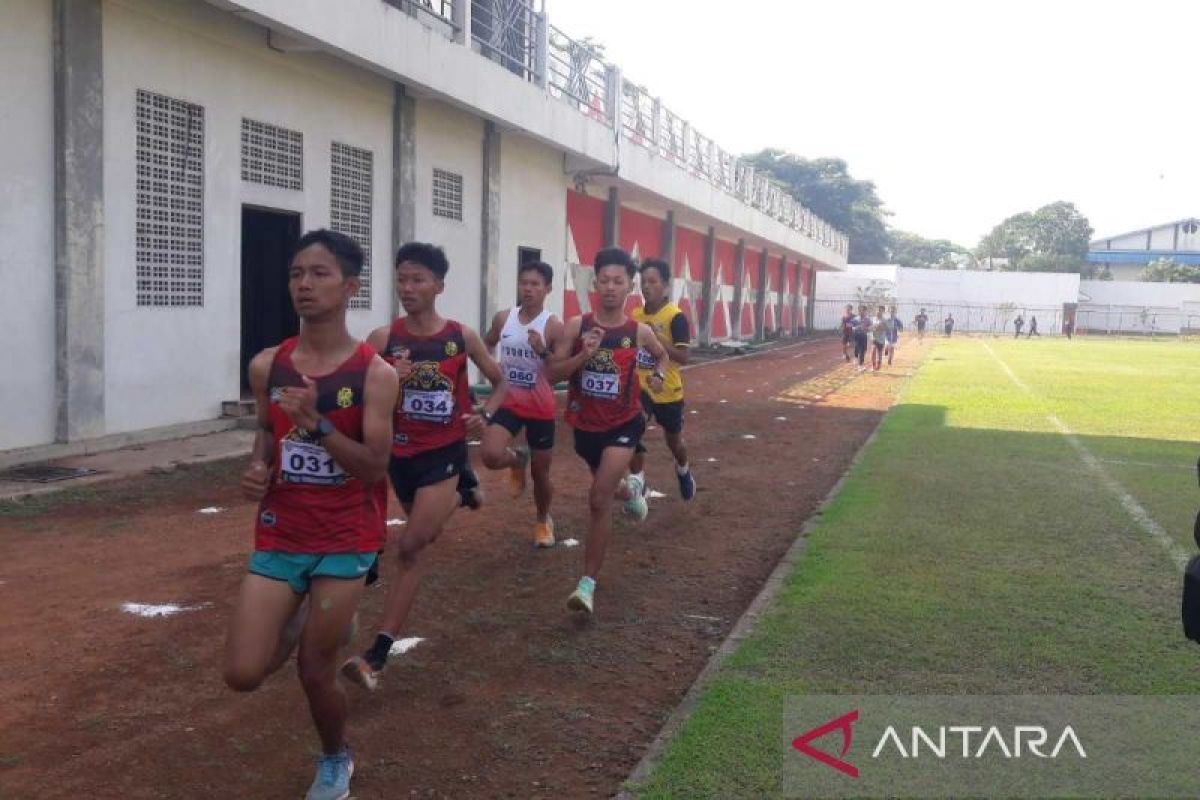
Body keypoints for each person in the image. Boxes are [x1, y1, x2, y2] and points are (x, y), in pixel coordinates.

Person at [223, 229, 399, 800]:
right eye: (297, 273)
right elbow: (262, 435)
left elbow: (374, 468)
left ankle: (334, 758)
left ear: (350, 287)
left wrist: (318, 425)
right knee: (243, 673)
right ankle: (305, 619)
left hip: (347, 535)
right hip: (282, 532)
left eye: (319, 273)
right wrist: (257, 468)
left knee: (313, 670)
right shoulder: (267, 366)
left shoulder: (375, 374)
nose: (304, 283)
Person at [343, 242, 508, 691]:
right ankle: (462, 492)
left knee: (412, 546)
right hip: (400, 458)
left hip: (444, 451)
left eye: (417, 280)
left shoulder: (460, 336)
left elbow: (499, 381)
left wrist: (486, 414)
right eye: (402, 279)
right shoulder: (382, 340)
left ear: (438, 286)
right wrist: (386, 379)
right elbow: (352, 396)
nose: (408, 288)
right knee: (424, 527)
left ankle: (376, 656)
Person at [549, 247, 669, 615]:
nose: (611, 287)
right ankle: (631, 488)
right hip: (585, 427)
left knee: (598, 498)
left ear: (630, 287)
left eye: (619, 281)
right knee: (610, 488)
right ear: (594, 283)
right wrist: (583, 355)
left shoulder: (638, 331)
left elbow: (661, 354)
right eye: (605, 280)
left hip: (624, 422)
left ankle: (586, 585)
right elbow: (552, 373)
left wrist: (660, 374)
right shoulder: (577, 326)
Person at [481, 260, 563, 547]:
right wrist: (493, 371)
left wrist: (543, 351)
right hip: (510, 401)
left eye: (535, 284)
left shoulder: (553, 326)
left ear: (547, 289)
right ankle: (517, 460)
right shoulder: (504, 318)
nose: (528, 289)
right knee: (490, 455)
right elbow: (487, 343)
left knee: (541, 475)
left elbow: (558, 370)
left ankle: (543, 520)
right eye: (524, 283)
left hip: (540, 407)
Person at [629, 258, 697, 502]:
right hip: (640, 388)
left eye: (652, 281)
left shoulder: (675, 317)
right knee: (631, 433)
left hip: (668, 390)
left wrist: (655, 338)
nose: (646, 286)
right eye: (643, 282)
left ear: (665, 286)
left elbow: (683, 357)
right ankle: (639, 483)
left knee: (674, 441)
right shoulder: (635, 315)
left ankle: (683, 470)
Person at [853, 303, 871, 371]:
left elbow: (870, 326)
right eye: (860, 310)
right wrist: (856, 327)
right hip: (857, 336)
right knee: (859, 349)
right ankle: (859, 362)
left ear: (865, 311)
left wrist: (868, 328)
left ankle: (859, 363)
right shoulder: (855, 319)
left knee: (863, 350)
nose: (862, 312)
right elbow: (850, 325)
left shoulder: (867, 319)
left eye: (863, 310)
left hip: (864, 336)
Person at [870, 305, 888, 371]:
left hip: (881, 339)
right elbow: (870, 327)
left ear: (883, 311)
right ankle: (873, 366)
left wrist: (880, 327)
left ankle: (879, 365)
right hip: (874, 338)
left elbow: (886, 328)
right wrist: (872, 328)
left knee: (879, 353)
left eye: (880, 310)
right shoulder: (873, 319)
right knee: (873, 351)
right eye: (877, 310)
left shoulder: (884, 320)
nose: (878, 311)